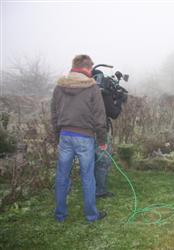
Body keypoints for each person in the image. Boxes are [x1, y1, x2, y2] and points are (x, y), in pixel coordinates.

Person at [51, 55, 107, 222]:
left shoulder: (59, 87)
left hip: (65, 136)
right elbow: (99, 117)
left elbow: (53, 114)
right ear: (87, 69)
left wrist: (57, 136)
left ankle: (59, 215)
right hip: (85, 137)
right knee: (87, 176)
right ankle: (91, 215)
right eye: (91, 69)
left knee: (61, 176)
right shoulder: (92, 87)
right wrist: (102, 140)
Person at [93, 70, 125, 199]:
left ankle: (91, 188)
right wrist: (118, 100)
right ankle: (100, 190)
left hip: (84, 131)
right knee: (102, 161)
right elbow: (114, 113)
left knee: (91, 161)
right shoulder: (103, 93)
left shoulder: (85, 92)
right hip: (100, 131)